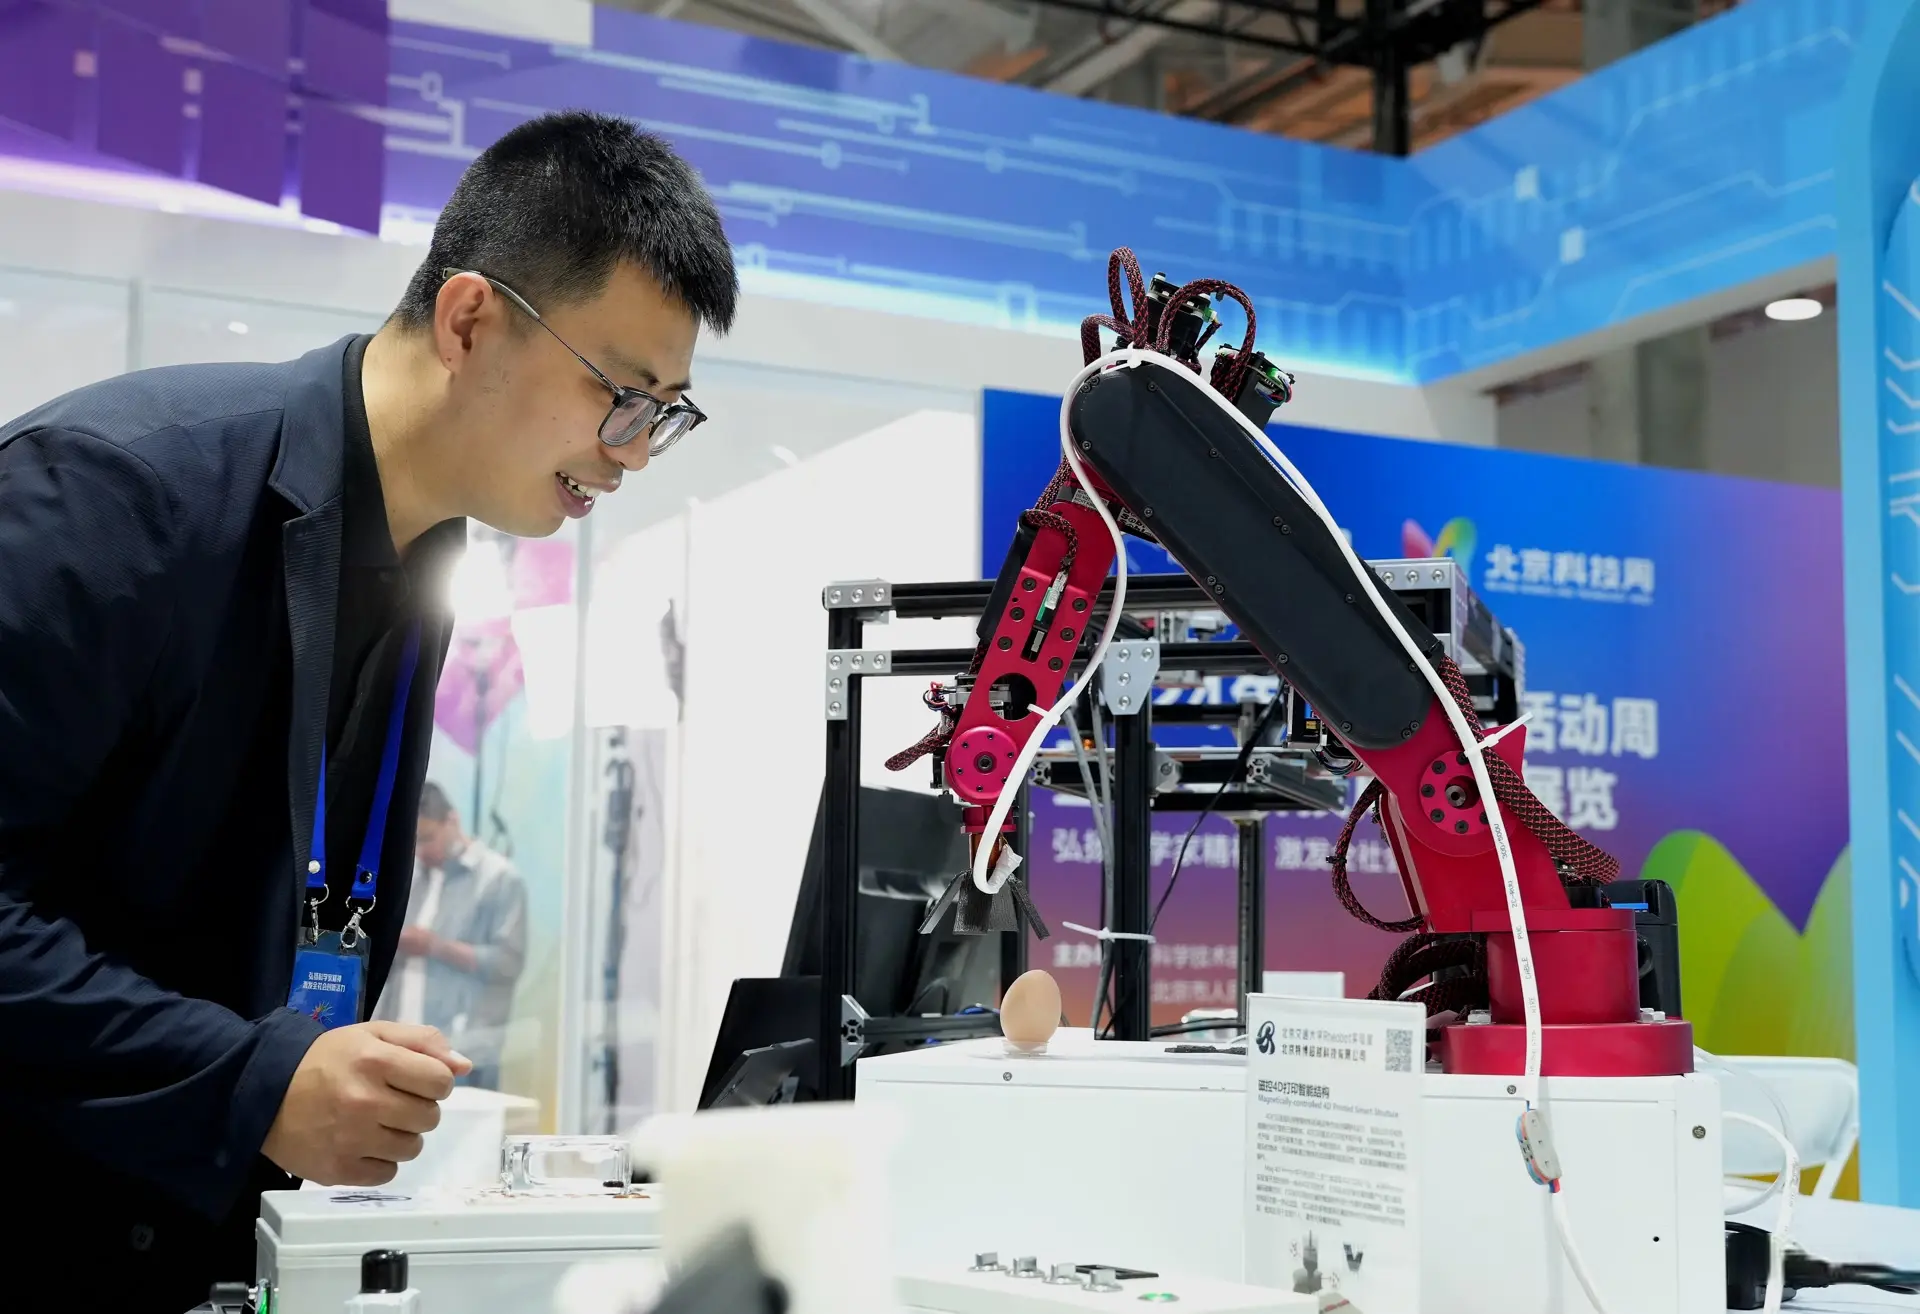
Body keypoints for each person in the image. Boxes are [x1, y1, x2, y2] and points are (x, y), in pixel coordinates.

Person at [0, 110, 737, 1310]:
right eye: (621, 394)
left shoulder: (422, 561)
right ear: (468, 320)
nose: (635, 452)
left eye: (666, 412)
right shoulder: (116, 493)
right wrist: (245, 1083)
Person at [375, 783, 528, 1090]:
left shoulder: (499, 879)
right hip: (398, 1048)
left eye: (428, 838)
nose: (421, 851)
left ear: (452, 821)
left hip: (464, 1053)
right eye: (414, 841)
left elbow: (507, 963)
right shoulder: (410, 875)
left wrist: (435, 946)